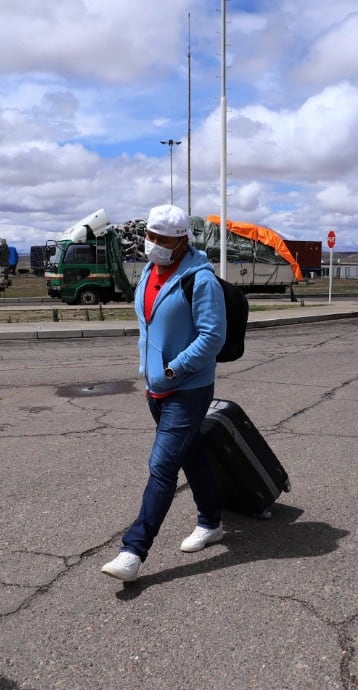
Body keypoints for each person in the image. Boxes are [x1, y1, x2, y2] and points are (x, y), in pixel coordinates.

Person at [100, 203, 227, 583]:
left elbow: (212, 336)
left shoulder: (200, 280)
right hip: (157, 387)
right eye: (151, 236)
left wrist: (175, 368)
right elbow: (150, 329)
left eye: (164, 239)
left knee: (162, 467)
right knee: (190, 455)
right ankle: (212, 521)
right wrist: (151, 374)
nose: (154, 244)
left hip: (187, 387)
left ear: (182, 241)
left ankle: (132, 551)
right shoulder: (149, 273)